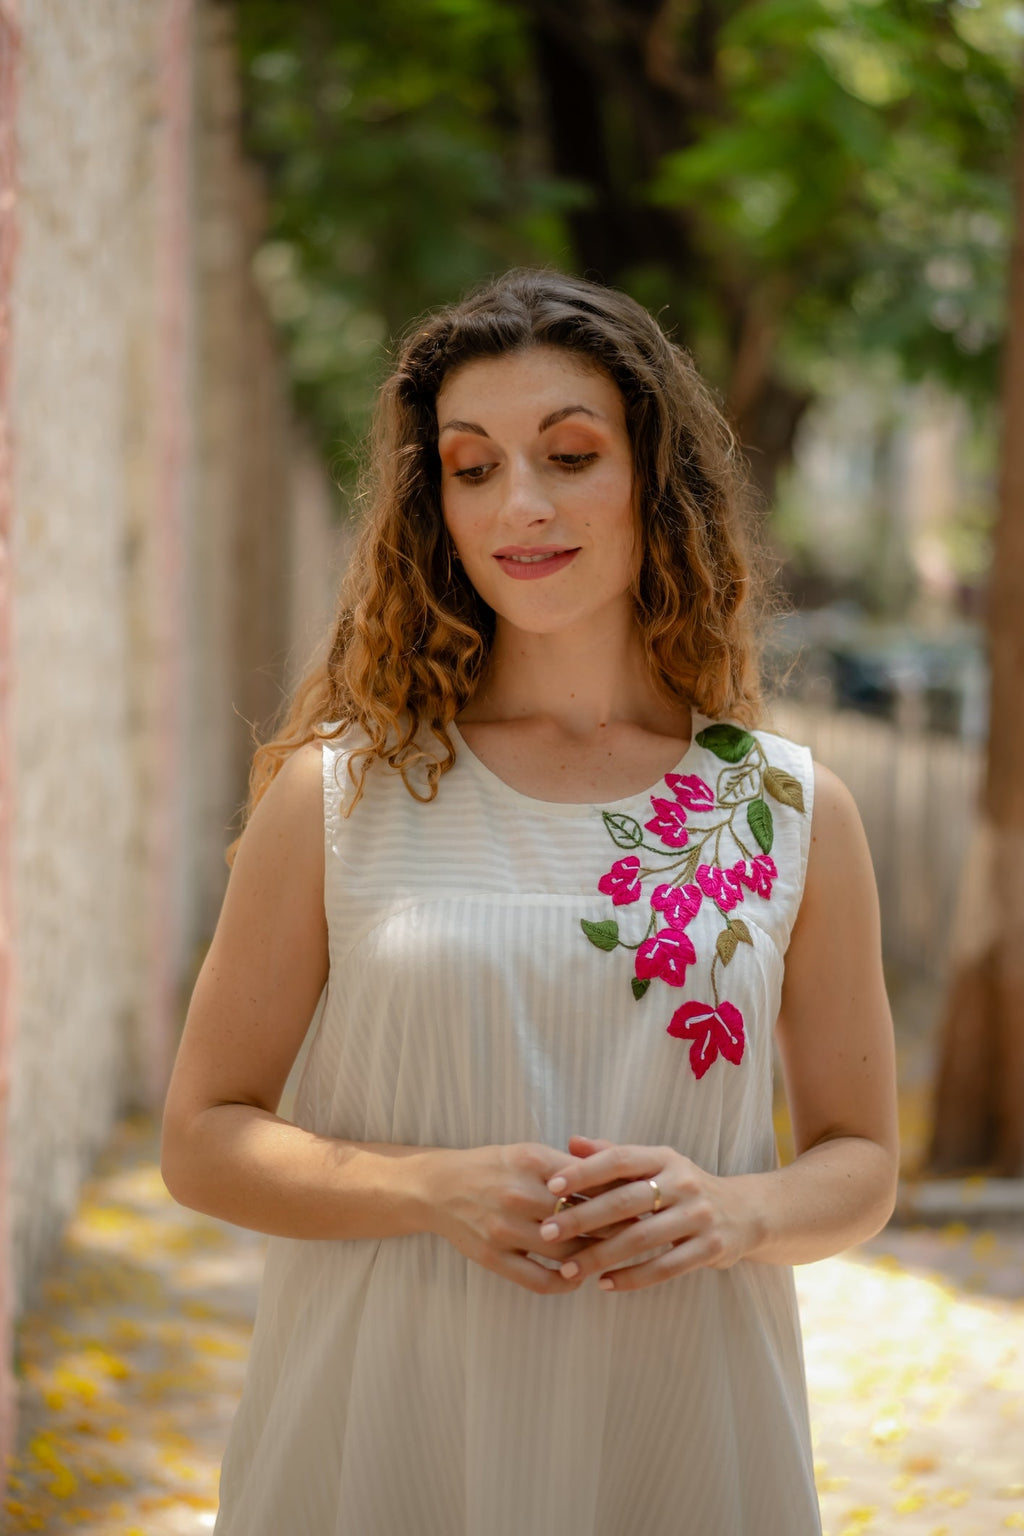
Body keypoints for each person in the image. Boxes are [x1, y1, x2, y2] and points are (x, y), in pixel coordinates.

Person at [161, 268, 898, 1536]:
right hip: (385, 1430)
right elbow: (202, 1138)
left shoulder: (782, 806)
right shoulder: (344, 795)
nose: (522, 504)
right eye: (471, 466)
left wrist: (732, 1210)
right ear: (431, 503)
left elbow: (862, 1159)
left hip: (678, 1431)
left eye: (568, 454)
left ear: (651, 482)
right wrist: (426, 1187)